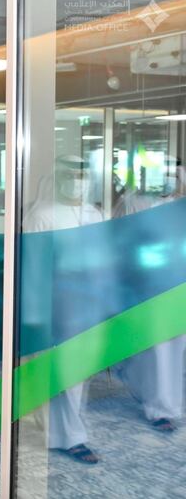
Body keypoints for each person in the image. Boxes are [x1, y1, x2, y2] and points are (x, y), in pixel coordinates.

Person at [23, 155, 102, 464]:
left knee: (75, 375)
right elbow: (32, 267)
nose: (77, 179)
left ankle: (60, 433)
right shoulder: (42, 215)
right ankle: (71, 438)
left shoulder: (95, 214)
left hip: (86, 307)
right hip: (53, 305)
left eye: (82, 173)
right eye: (71, 173)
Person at [113, 157, 186, 433]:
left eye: (173, 174)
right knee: (154, 345)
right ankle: (158, 408)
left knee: (174, 347)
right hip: (146, 285)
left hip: (177, 284)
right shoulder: (135, 201)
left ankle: (165, 404)